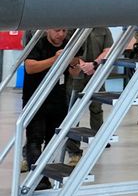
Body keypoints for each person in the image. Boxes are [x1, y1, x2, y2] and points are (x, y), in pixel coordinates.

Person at [23, 28, 81, 179]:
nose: (61, 34)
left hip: (58, 99)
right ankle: (37, 179)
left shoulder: (69, 45)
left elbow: (74, 71)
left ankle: (46, 174)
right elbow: (29, 67)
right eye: (57, 30)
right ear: (48, 29)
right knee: (35, 139)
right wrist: (55, 60)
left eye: (64, 31)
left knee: (53, 141)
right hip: (35, 99)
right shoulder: (37, 43)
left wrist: (75, 67)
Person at [66, 27, 113, 164]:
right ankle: (74, 151)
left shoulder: (103, 29)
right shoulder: (72, 26)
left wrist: (93, 64)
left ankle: (98, 140)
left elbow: (108, 49)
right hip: (76, 73)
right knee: (73, 112)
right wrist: (81, 65)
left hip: (96, 73)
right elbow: (67, 49)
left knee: (97, 108)